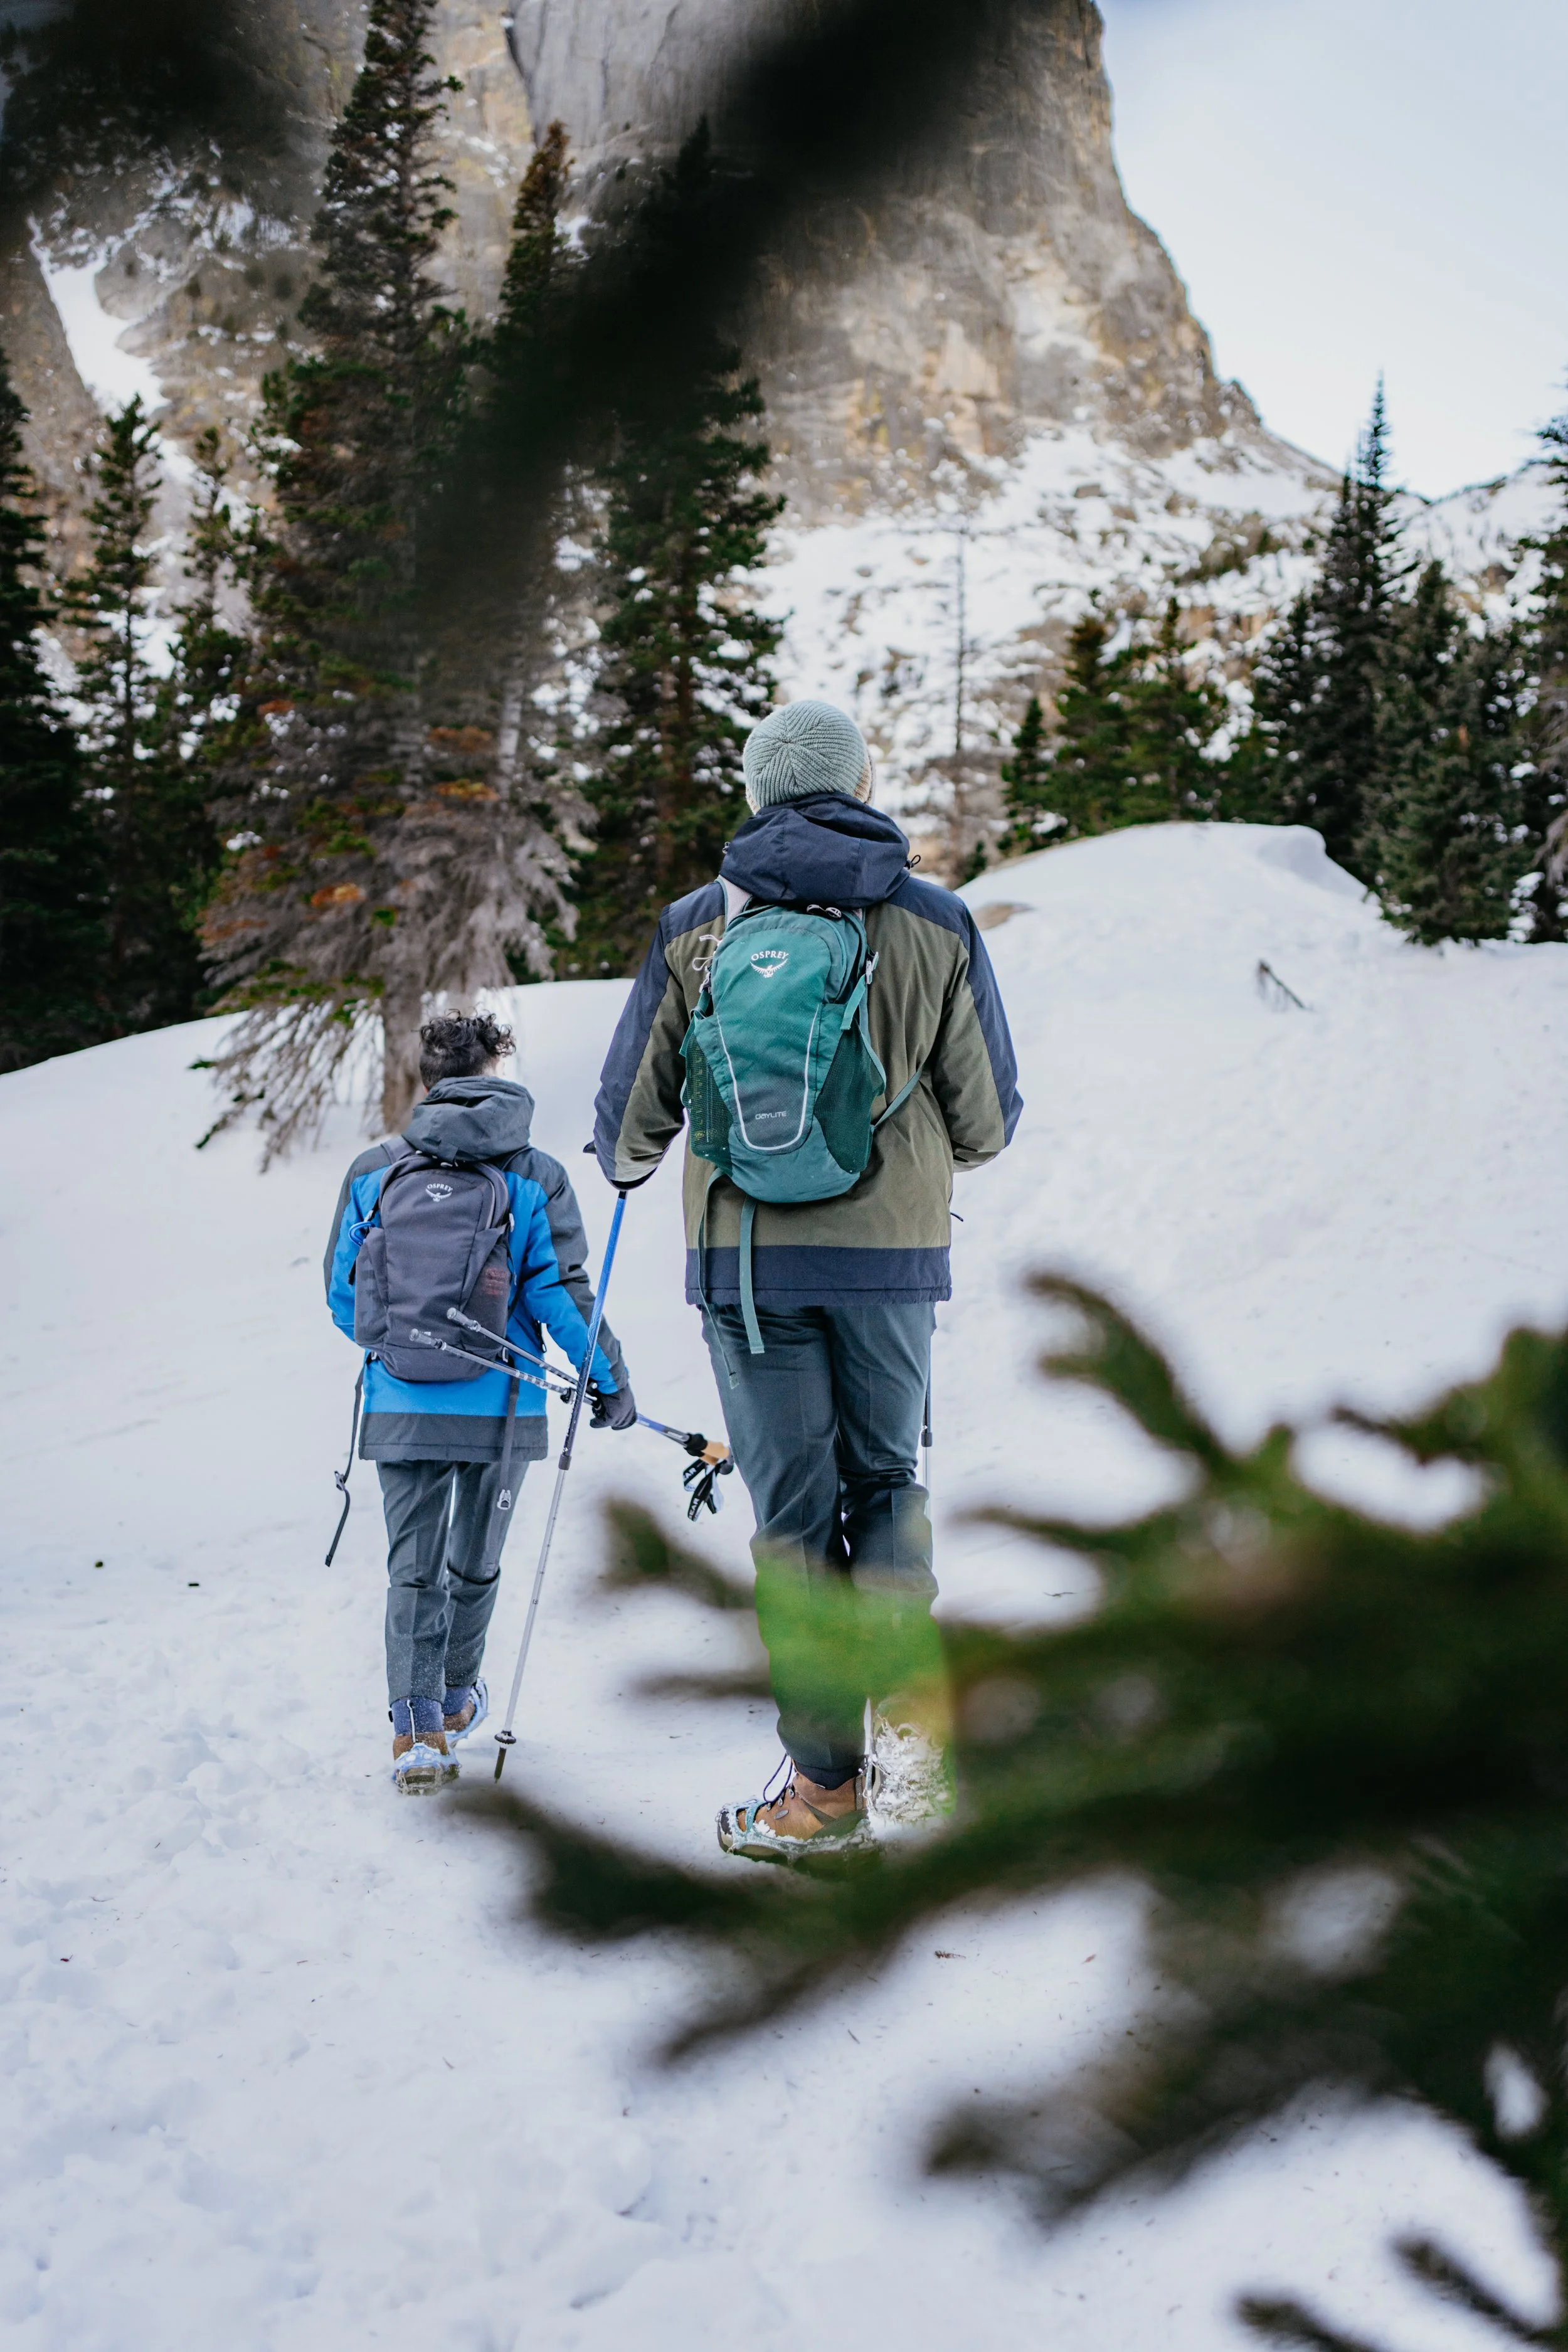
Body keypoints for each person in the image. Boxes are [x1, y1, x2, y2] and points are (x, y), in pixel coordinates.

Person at [593, 700, 1020, 1856]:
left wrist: (638, 1163)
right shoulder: (935, 921)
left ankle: (825, 1791)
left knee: (792, 1522)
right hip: (889, 1263)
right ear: (860, 781)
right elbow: (988, 1122)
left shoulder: (698, 925)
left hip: (745, 1269)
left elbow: (629, 1126)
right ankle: (915, 1730)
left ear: (755, 790)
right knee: (887, 1485)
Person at [326, 1012, 636, 1791]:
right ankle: (458, 1699)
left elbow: (342, 1299)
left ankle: (415, 1730)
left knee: (413, 1568)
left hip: (400, 1405)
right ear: (495, 1070)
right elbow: (560, 1293)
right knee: (476, 1562)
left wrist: (403, 1349)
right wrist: (608, 1378)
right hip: (503, 1409)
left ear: (429, 1078)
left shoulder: (374, 1167)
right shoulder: (535, 1174)